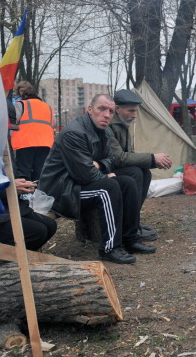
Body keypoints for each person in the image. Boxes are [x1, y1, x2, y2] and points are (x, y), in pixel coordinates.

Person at [38, 94, 147, 264]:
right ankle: (110, 248)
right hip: (60, 191)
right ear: (90, 110)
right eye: (101, 109)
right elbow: (85, 175)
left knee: (127, 182)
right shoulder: (74, 133)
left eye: (110, 111)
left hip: (76, 185)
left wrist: (101, 165)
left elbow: (111, 160)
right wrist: (103, 172)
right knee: (108, 189)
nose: (106, 115)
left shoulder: (103, 130)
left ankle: (130, 239)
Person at [109, 89, 174, 245]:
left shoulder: (123, 124)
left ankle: (133, 221)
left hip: (114, 167)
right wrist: (152, 158)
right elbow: (118, 158)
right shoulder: (109, 127)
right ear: (117, 109)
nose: (134, 115)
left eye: (136, 111)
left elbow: (129, 154)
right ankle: (128, 230)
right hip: (102, 171)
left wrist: (151, 162)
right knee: (136, 173)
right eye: (130, 111)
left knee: (144, 173)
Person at [0, 178, 57, 251]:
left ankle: (16, 257)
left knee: (50, 225)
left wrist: (24, 184)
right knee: (37, 231)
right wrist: (6, 187)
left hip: (7, 205)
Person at [10, 83, 54, 181]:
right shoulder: (48, 107)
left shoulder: (21, 104)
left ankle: (26, 195)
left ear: (22, 94)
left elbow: (13, 121)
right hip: (45, 144)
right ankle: (39, 194)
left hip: (25, 142)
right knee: (40, 172)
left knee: (24, 172)